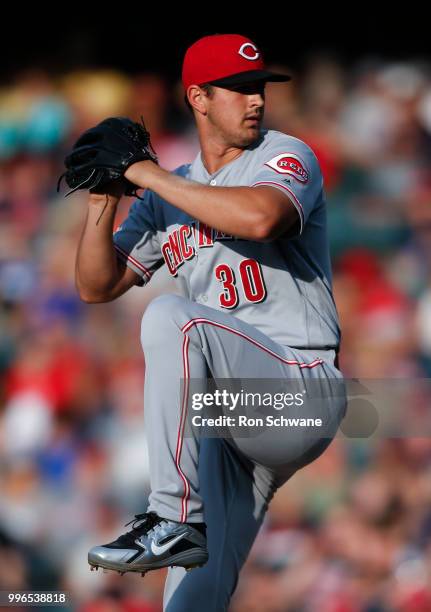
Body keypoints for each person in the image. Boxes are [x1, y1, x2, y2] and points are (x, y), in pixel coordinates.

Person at [77, 33, 346, 612]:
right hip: (230, 418)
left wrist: (148, 176)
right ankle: (181, 526)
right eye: (240, 88)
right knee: (190, 600)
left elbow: (261, 215)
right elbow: (96, 285)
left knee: (173, 316)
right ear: (198, 98)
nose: (256, 100)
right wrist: (104, 198)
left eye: (260, 88)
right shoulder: (164, 193)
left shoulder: (285, 153)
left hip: (301, 387)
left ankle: (174, 515)